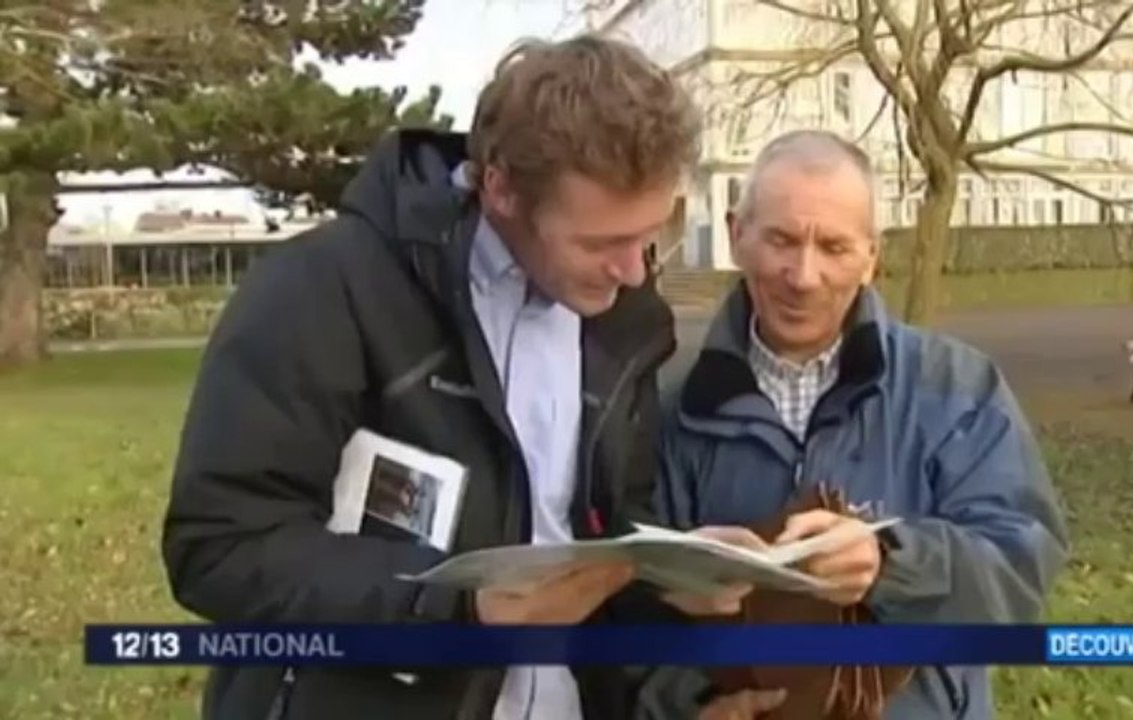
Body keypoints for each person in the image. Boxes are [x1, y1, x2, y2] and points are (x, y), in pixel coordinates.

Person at [162, 35, 751, 720]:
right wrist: (455, 607)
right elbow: (219, 547)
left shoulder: (625, 319)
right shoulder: (326, 289)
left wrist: (668, 571)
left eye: (646, 235)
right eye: (599, 244)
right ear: (499, 187)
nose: (631, 271)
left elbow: (597, 527)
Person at [655, 129, 1071, 719]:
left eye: (833, 246)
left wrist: (891, 562)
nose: (803, 274)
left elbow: (1021, 569)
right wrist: (686, 708)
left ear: (872, 256)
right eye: (780, 239)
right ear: (735, 234)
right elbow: (628, 614)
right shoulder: (673, 410)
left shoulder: (958, 388)